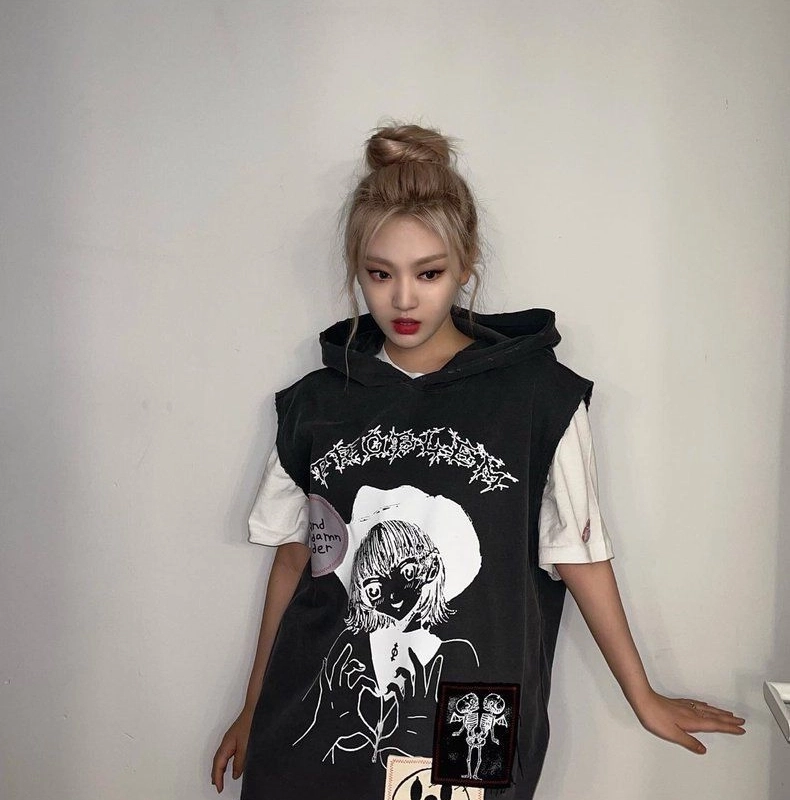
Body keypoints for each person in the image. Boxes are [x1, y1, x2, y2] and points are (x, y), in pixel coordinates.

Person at [212, 124, 745, 800]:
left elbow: (578, 554)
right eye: (380, 273)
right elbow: (296, 561)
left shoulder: (539, 399)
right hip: (313, 743)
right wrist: (255, 707)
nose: (404, 299)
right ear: (357, 271)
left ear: (466, 265)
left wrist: (642, 695)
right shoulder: (316, 405)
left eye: (428, 273)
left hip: (472, 725)